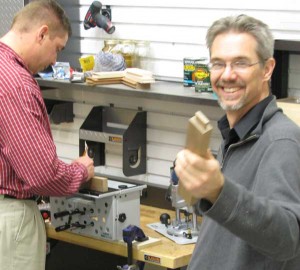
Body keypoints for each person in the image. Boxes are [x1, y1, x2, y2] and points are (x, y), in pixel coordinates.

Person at [175, 14, 300, 270]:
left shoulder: (281, 141)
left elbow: (288, 237)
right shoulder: (237, 136)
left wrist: (218, 192)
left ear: (267, 69)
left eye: (240, 63)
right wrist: (201, 192)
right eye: (218, 64)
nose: (227, 75)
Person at [0, 1, 94, 270]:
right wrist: (80, 171)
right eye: (57, 49)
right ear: (41, 34)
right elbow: (42, 175)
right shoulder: (16, 84)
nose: (55, 61)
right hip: (11, 220)